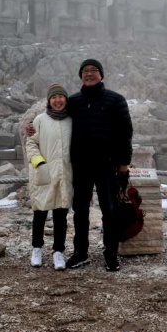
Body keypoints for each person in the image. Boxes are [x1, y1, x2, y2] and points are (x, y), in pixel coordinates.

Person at [65, 59, 133, 272]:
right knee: (80, 211)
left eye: (94, 70)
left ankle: (111, 254)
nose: (89, 73)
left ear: (101, 75)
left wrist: (124, 164)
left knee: (110, 211)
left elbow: (125, 133)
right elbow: (55, 119)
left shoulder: (116, 100)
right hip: (81, 166)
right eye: (85, 71)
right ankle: (80, 252)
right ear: (80, 76)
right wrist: (33, 128)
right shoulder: (73, 101)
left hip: (108, 166)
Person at [25, 83, 74, 270]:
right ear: (49, 100)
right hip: (44, 172)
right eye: (54, 97)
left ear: (65, 99)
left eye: (61, 97)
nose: (58, 100)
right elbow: (31, 143)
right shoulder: (39, 120)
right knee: (40, 213)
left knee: (61, 214)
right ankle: (36, 248)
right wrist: (39, 163)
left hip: (64, 173)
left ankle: (58, 251)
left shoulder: (72, 120)